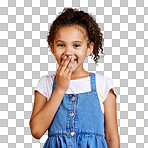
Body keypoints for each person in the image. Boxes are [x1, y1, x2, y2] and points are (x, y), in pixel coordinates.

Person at [29, 8, 120, 148]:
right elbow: (36, 130)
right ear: (52, 48)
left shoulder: (103, 85)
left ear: (89, 48)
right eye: (61, 45)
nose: (68, 52)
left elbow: (112, 137)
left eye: (76, 45)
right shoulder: (46, 83)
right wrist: (59, 89)